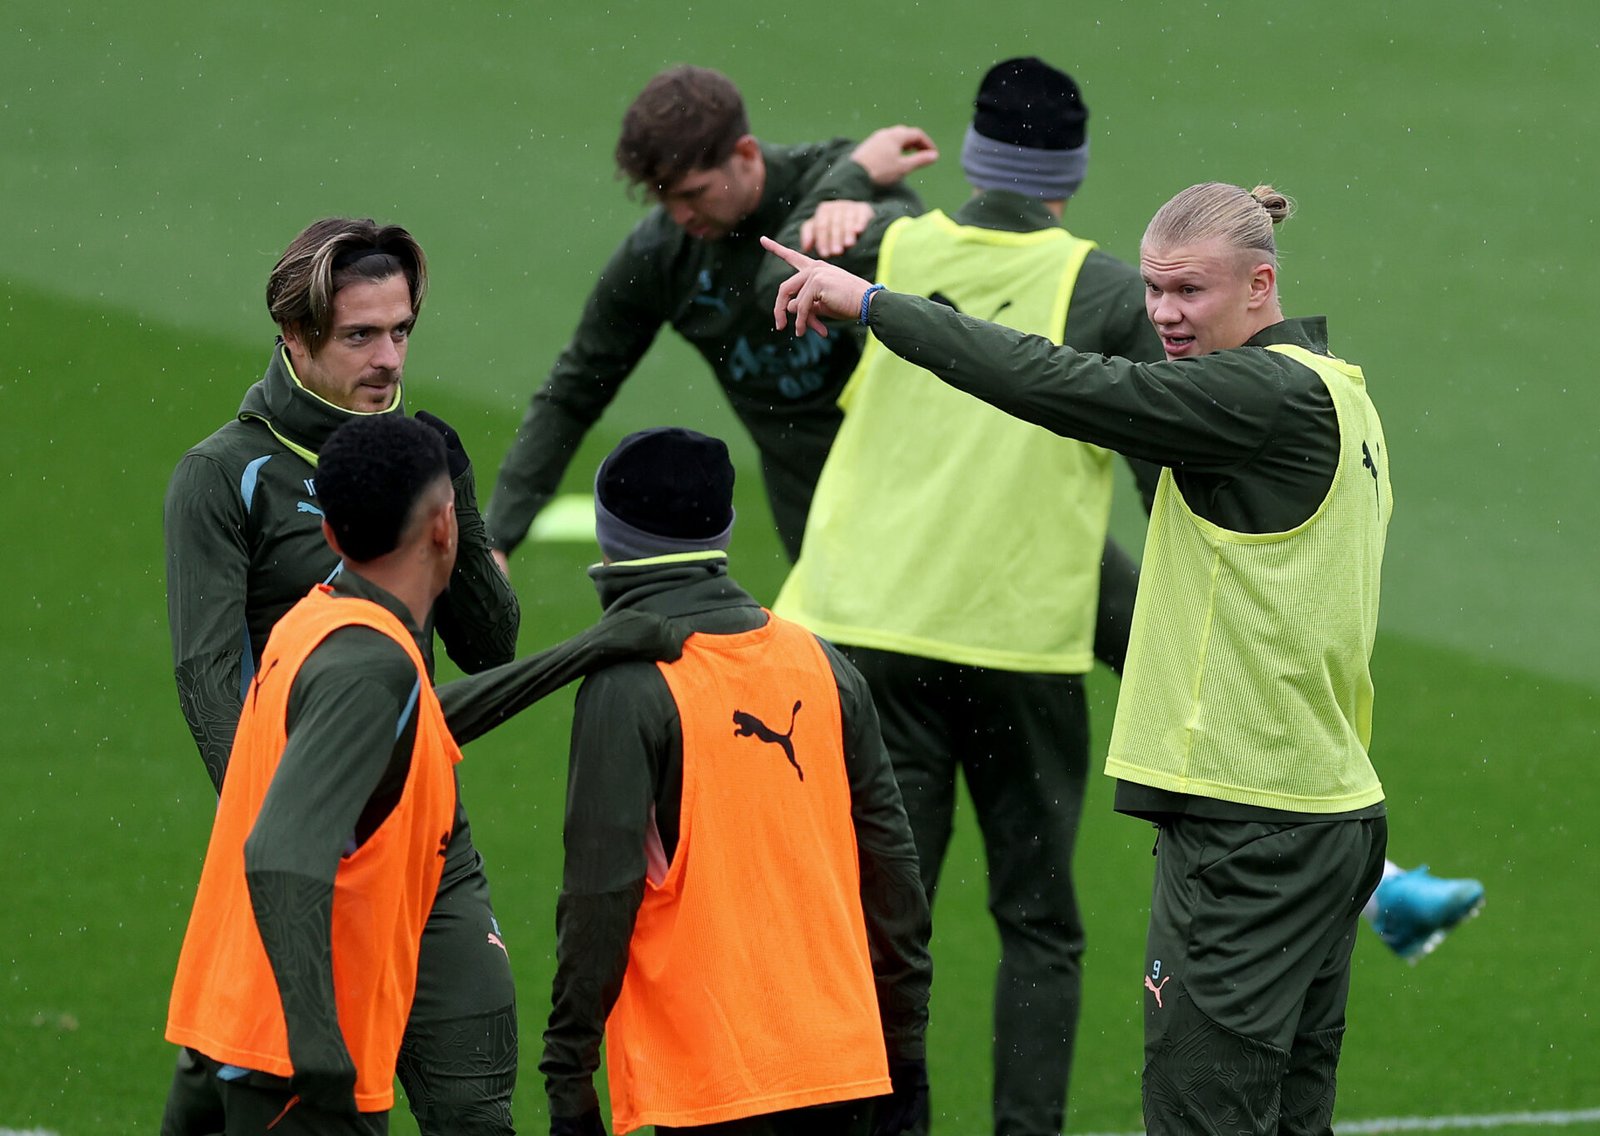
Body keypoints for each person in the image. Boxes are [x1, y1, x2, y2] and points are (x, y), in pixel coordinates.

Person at [764, 181, 1391, 1134]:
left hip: (1250, 824)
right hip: (1321, 808)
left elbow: (1054, 382)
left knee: (1201, 1118)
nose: (1164, 318)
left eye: (1190, 294)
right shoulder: (1336, 387)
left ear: (1260, 284)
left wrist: (876, 306)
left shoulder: (1254, 397)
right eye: (1153, 291)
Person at [772, 58, 1160, 1136]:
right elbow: (1162, 468)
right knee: (1038, 919)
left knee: (884, 921)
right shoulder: (1105, 288)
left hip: (859, 632)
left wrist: (850, 170)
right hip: (1015, 641)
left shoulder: (892, 243)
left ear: (976, 152)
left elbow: (796, 243)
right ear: (1070, 173)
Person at [164, 414, 683, 1134]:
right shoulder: (369, 667)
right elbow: (279, 852)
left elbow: (412, 720)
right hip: (289, 1068)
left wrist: (584, 651)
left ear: (331, 537)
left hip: (228, 1026)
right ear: (446, 527)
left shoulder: (322, 624)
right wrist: (320, 1053)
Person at [162, 218, 523, 1135]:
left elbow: (490, 643)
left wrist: (456, 499)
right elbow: (209, 684)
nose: (389, 358)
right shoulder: (224, 475)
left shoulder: (418, 454)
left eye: (401, 330)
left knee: (476, 1112)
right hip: (309, 839)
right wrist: (287, 832)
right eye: (360, 335)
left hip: (436, 841)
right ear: (295, 338)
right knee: (289, 1107)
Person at [539, 427, 934, 1136]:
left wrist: (567, 1078)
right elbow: (894, 876)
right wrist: (905, 1052)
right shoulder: (822, 664)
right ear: (723, 527)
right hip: (844, 1067)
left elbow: (599, 898)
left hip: (710, 1085)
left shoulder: (628, 687)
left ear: (610, 539)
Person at [485, 64, 936, 566]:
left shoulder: (851, 189)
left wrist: (859, 197)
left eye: (693, 193)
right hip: (816, 525)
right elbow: (572, 394)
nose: (679, 216)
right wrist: (499, 537)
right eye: (662, 197)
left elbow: (934, 300)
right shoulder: (661, 256)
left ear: (744, 154)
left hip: (929, 487)